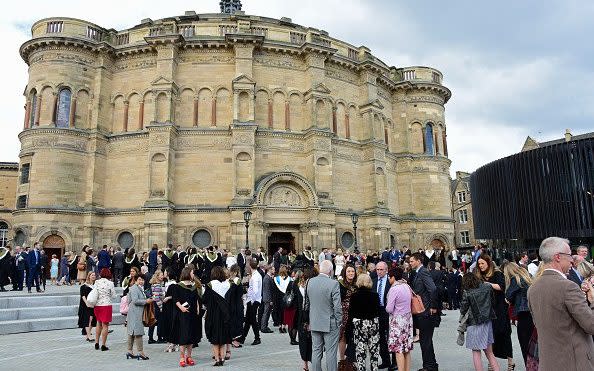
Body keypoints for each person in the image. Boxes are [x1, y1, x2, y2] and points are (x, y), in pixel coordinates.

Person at [528, 237, 594, 371]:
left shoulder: (532, 289)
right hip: (574, 363)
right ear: (558, 257)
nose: (572, 259)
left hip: (548, 363)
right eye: (569, 255)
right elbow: (591, 325)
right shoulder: (568, 287)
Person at [476, 254, 515, 370]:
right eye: (479, 264)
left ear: (488, 263)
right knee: (490, 337)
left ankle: (510, 362)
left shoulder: (497, 273)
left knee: (504, 335)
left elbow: (502, 287)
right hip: (487, 310)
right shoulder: (479, 276)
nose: (481, 266)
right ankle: (491, 363)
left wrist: (488, 285)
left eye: (482, 263)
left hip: (500, 310)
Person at [305, 259, 342, 371]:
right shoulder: (334, 283)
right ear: (330, 271)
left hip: (315, 322)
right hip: (330, 323)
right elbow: (337, 306)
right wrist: (339, 322)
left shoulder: (309, 282)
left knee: (316, 352)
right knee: (331, 353)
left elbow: (306, 303)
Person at [460, 272, 499, 371]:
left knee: (476, 352)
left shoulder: (467, 292)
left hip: (474, 323)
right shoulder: (487, 288)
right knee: (489, 352)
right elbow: (493, 302)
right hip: (487, 322)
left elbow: (463, 309)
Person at [409, 252, 439, 371]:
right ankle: (430, 365)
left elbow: (432, 289)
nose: (410, 263)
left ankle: (429, 366)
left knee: (425, 340)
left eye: (412, 261)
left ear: (418, 261)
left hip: (426, 311)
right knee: (425, 340)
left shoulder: (423, 272)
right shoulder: (418, 273)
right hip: (423, 311)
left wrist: (433, 306)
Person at [347, 273, 382, 371]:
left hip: (359, 325)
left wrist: (349, 329)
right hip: (373, 324)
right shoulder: (375, 295)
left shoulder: (354, 296)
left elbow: (351, 313)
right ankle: (374, 369)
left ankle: (361, 369)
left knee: (360, 352)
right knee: (374, 351)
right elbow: (378, 311)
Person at [169, 266, 201, 367]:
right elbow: (176, 300)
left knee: (191, 335)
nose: (193, 275)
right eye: (192, 273)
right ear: (187, 273)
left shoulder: (194, 286)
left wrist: (197, 308)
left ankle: (189, 356)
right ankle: (182, 357)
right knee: (184, 335)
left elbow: (196, 299)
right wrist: (181, 308)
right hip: (183, 314)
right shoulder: (178, 286)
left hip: (192, 314)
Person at [503, 262, 533, 367]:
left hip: (523, 314)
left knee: (525, 345)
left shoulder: (515, 279)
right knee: (534, 345)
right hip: (533, 313)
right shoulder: (528, 276)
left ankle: (529, 367)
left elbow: (508, 296)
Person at [204, 266, 233, 366]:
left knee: (215, 338)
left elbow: (204, 300)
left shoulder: (210, 285)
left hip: (213, 314)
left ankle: (217, 359)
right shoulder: (228, 284)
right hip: (226, 314)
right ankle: (222, 357)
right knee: (223, 338)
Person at [385, 267, 413, 371]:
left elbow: (389, 308)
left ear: (393, 277)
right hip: (408, 319)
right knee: (406, 349)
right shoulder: (406, 286)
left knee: (398, 350)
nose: (389, 279)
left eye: (389, 277)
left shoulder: (394, 289)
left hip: (397, 321)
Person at [125, 273, 153, 360]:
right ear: (136, 280)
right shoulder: (134, 288)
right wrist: (146, 301)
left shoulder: (138, 288)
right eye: (140, 280)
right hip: (135, 313)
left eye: (143, 280)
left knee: (132, 332)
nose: (141, 281)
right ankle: (140, 352)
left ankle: (129, 351)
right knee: (138, 332)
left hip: (135, 312)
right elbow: (135, 301)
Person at [371, 261, 392, 369]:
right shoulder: (373, 281)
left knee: (391, 337)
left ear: (386, 270)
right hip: (377, 312)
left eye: (381, 269)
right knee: (380, 338)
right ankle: (385, 360)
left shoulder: (391, 281)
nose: (379, 272)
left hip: (389, 312)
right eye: (377, 269)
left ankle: (395, 362)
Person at [240, 259, 262, 346]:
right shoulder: (255, 275)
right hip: (253, 300)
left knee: (252, 320)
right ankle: (243, 338)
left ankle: (257, 338)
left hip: (253, 301)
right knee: (249, 320)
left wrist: (252, 301)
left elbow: (255, 290)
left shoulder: (255, 277)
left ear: (250, 267)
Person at [338, 264, 357, 362]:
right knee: (343, 336)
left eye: (352, 271)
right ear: (345, 273)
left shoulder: (357, 284)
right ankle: (342, 361)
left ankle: (350, 360)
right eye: (348, 271)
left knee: (353, 336)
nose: (351, 273)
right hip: (343, 313)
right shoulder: (340, 284)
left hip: (355, 313)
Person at [94, 268, 115, 351]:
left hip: (98, 304)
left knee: (98, 323)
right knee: (105, 325)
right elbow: (113, 295)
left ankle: (96, 342)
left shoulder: (97, 282)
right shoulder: (110, 283)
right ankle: (103, 344)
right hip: (106, 305)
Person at [78, 271, 97, 342]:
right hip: (86, 305)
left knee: (93, 321)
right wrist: (87, 303)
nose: (93, 276)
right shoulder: (84, 286)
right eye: (92, 275)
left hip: (93, 305)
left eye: (94, 275)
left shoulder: (95, 285)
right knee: (88, 320)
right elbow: (83, 296)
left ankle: (87, 334)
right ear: (89, 276)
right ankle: (89, 336)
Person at [273, 265, 292, 334]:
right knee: (285, 312)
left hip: (278, 299)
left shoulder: (275, 279)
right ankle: (284, 326)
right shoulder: (289, 279)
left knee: (279, 312)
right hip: (286, 298)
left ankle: (280, 326)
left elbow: (274, 291)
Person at [148, 269, 165, 344]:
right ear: (157, 276)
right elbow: (157, 298)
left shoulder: (153, 285)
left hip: (153, 305)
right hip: (157, 305)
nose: (163, 276)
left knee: (153, 322)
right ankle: (159, 337)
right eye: (161, 275)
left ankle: (150, 338)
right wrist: (161, 307)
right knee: (160, 322)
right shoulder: (158, 286)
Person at [260, 265, 275, 333]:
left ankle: (265, 326)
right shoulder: (267, 278)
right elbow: (267, 290)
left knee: (267, 313)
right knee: (266, 313)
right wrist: (270, 300)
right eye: (273, 269)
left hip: (267, 298)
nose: (274, 271)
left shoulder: (268, 277)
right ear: (270, 270)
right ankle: (263, 327)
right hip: (268, 299)